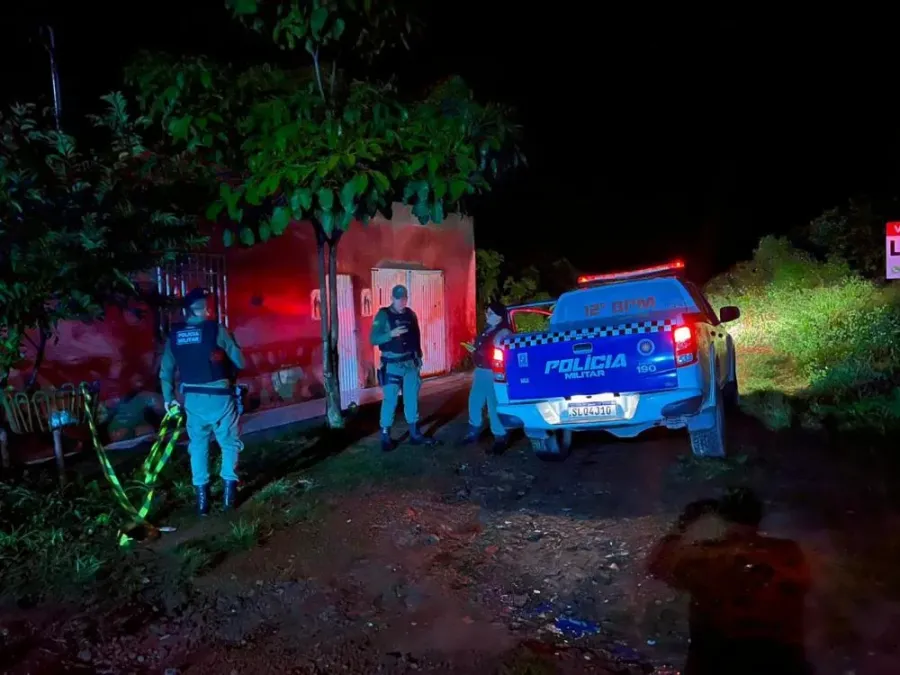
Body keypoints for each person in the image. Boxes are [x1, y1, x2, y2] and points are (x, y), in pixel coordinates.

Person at [648, 488, 812, 675]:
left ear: (720, 517)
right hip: (784, 663)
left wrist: (682, 524)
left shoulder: (705, 557)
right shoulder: (788, 553)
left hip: (718, 662)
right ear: (759, 518)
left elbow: (658, 564)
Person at [160, 287, 246, 516]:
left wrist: (169, 398)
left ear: (186, 312)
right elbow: (240, 361)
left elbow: (166, 370)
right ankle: (229, 498)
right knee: (229, 443)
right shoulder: (215, 330)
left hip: (193, 400)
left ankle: (202, 503)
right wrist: (231, 346)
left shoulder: (175, 336)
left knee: (198, 446)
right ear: (204, 309)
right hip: (220, 398)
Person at [370, 284, 438, 452]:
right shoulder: (383, 315)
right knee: (390, 401)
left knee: (411, 399)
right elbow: (373, 338)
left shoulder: (410, 314)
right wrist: (390, 334)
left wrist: (419, 358)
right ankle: (385, 437)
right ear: (392, 298)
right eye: (398, 298)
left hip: (410, 364)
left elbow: (416, 337)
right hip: (392, 364)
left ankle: (415, 434)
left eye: (404, 298)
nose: (402, 302)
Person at [460, 300, 512, 453]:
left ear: (499, 317)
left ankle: (500, 436)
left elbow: (500, 351)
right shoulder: (488, 330)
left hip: (492, 373)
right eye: (486, 312)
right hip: (481, 371)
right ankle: (473, 431)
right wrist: (475, 349)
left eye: (490, 313)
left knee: (493, 405)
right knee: (475, 401)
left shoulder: (504, 332)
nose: (486, 315)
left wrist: (480, 351)